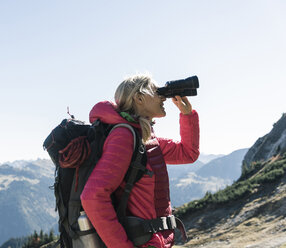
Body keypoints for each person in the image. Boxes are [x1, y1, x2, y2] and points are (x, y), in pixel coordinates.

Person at [80, 74, 200, 248]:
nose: (162, 97)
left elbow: (188, 153)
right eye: (156, 91)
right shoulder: (124, 136)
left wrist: (187, 115)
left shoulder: (147, 139)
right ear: (139, 98)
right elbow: (93, 196)